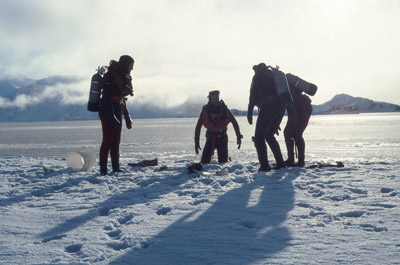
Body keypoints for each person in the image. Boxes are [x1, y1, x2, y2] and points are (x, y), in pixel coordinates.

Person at [99, 55, 134, 175]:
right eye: (130, 66)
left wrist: (127, 116)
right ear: (124, 64)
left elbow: (121, 99)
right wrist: (111, 116)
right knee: (107, 141)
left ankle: (115, 168)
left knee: (116, 141)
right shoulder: (110, 75)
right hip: (107, 110)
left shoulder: (123, 76)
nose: (132, 69)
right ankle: (103, 171)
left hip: (117, 109)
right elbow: (107, 98)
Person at [247, 63, 286, 172]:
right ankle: (280, 163)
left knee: (259, 138)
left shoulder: (258, 76)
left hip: (268, 108)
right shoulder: (271, 75)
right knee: (269, 135)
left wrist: (249, 112)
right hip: (280, 109)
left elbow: (253, 94)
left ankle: (264, 166)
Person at [195, 90, 243, 164]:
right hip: (211, 137)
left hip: (222, 138)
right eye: (213, 98)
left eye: (217, 98)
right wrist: (196, 142)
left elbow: (234, 122)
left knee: (223, 163)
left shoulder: (224, 109)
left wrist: (238, 136)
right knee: (204, 163)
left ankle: (225, 163)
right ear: (210, 99)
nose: (216, 100)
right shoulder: (206, 110)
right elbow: (198, 126)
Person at [283, 85, 312, 167]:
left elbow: (293, 112)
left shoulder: (292, 96)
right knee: (288, 132)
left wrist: (293, 125)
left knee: (297, 134)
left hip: (303, 111)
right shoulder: (286, 91)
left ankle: (300, 161)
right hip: (301, 110)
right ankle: (291, 159)